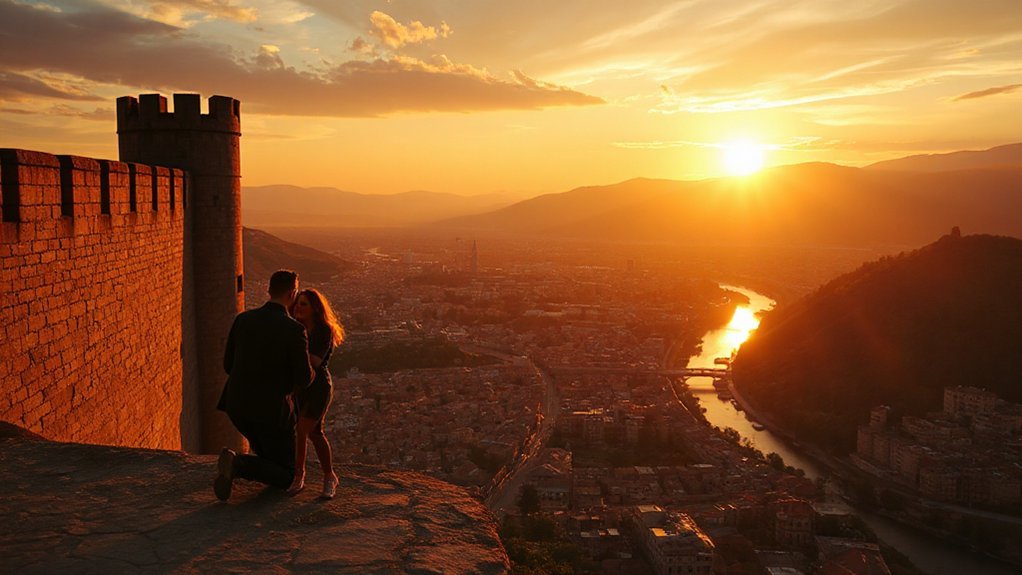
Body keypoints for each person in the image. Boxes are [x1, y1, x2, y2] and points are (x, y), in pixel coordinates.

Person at [214, 270, 314, 502]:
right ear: (292, 293)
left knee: (270, 457)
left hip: (236, 405)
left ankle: (238, 466)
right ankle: (238, 464)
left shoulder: (243, 319)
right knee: (289, 475)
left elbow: (228, 365)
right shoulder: (294, 330)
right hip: (271, 412)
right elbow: (303, 378)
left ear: (269, 290)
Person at [287, 288, 345, 499]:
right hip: (301, 386)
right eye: (297, 304)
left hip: (319, 386)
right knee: (314, 433)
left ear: (315, 309)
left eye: (304, 304)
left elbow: (315, 362)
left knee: (303, 430)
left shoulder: (323, 330)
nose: (299, 307)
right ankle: (329, 477)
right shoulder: (297, 328)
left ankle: (300, 475)